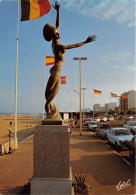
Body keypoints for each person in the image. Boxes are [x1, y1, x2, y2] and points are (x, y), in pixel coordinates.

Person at [43, 1, 96, 120]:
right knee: (53, 92)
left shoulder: (54, 39)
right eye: (57, 33)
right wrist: (85, 42)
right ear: (54, 34)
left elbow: (57, 25)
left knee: (50, 93)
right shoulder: (58, 45)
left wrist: (58, 11)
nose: (59, 34)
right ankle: (48, 107)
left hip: (55, 69)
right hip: (57, 68)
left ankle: (50, 109)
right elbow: (75, 45)